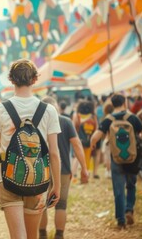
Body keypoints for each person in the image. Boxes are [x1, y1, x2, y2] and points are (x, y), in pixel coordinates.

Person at [0, 59, 61, 239]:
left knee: (18, 236)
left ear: (11, 79)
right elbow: (54, 153)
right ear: (34, 80)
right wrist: (56, 184)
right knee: (32, 236)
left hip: (7, 178)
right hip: (39, 180)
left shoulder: (0, 109)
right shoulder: (49, 110)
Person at [90, 93, 142, 229]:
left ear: (112, 103)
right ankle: (129, 210)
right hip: (132, 158)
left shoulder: (108, 119)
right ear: (125, 102)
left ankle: (121, 220)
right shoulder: (132, 118)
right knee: (131, 185)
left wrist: (93, 144)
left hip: (116, 159)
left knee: (118, 190)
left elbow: (95, 137)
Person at [39, 96, 89, 239]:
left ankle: (42, 234)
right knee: (61, 204)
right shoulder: (65, 121)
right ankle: (59, 235)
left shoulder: (38, 122)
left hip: (41, 170)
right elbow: (77, 145)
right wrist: (84, 168)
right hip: (63, 170)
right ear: (56, 107)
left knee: (41, 203)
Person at [72, 100, 98, 178]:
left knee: (76, 157)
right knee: (87, 157)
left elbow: (73, 128)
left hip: (79, 140)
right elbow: (96, 129)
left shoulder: (77, 116)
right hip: (89, 141)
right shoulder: (93, 117)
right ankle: (85, 176)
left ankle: (74, 174)